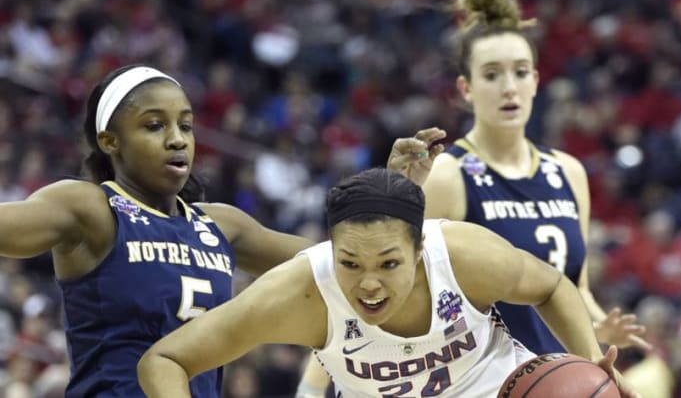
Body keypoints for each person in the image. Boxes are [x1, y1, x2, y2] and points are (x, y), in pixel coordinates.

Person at [0, 64, 441, 398]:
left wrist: (393, 194)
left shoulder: (220, 224)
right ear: (109, 141)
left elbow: (340, 263)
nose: (177, 139)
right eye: (155, 125)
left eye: (186, 125)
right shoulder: (90, 206)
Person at [138, 168, 639, 398]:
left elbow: (552, 286)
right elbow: (165, 360)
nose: (369, 285)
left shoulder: (463, 254)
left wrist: (594, 362)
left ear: (421, 252)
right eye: (350, 263)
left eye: (389, 264)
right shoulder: (302, 290)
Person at [405, 0, 651, 355]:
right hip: (485, 382)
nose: (509, 87)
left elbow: (575, 288)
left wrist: (599, 327)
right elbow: (403, 288)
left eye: (520, 72)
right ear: (466, 88)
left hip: (565, 377)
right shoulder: (447, 175)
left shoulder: (568, 171)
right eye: (491, 74)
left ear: (535, 80)